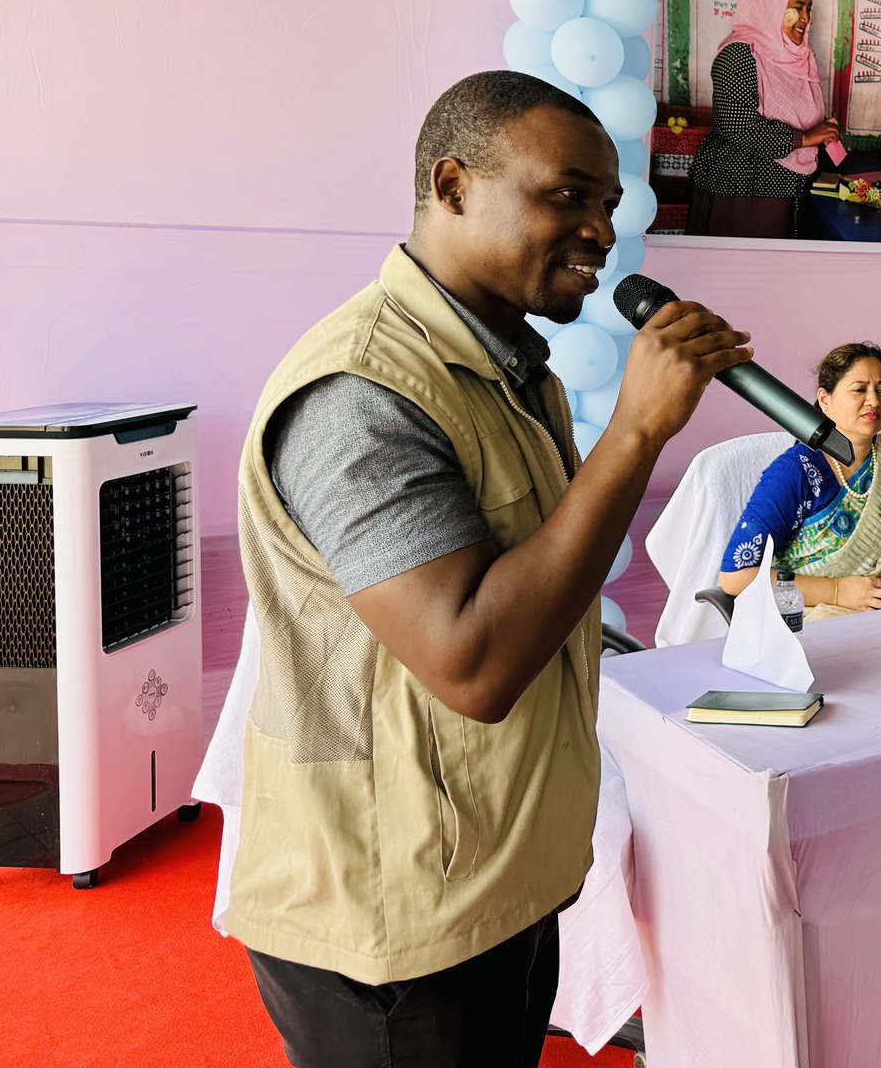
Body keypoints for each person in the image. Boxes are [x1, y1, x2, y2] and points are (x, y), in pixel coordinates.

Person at [229, 71, 749, 1068]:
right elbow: (472, 663)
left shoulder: (512, 371)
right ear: (453, 186)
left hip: (500, 879)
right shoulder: (361, 392)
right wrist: (636, 433)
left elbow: (540, 580)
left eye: (609, 204)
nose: (601, 232)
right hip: (395, 922)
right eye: (567, 196)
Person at [716, 342, 881, 619]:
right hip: (814, 618)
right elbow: (736, 576)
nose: (874, 401)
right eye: (859, 390)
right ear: (825, 400)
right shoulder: (795, 471)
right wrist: (837, 591)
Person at [687, 0, 842, 239]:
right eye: (797, 7)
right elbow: (736, 126)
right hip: (741, 194)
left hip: (785, 193)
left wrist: (822, 130)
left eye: (809, 9)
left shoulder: (801, 58)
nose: (805, 18)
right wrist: (806, 137)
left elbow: (799, 116)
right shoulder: (738, 55)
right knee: (741, 265)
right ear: (772, 3)